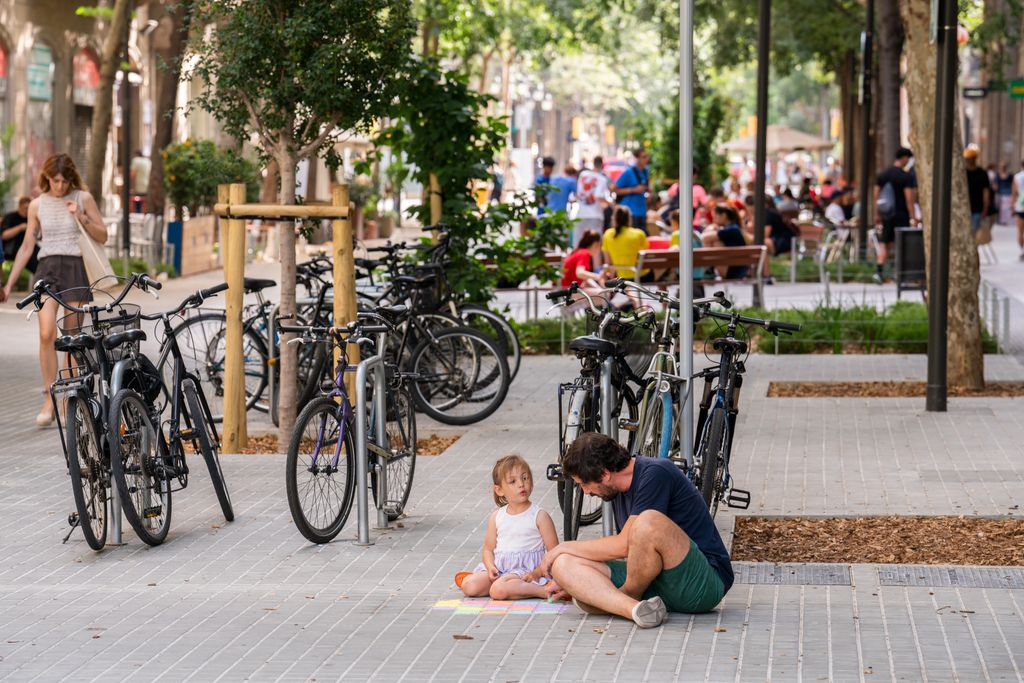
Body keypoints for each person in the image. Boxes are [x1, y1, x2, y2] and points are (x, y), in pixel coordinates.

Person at [536, 433, 733, 627]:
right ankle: (635, 610)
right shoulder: (614, 491)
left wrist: (564, 547)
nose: (586, 492)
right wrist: (576, 580)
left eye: (585, 484)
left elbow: (623, 545)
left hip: (701, 583)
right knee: (563, 564)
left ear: (604, 474)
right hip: (654, 585)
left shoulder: (656, 473)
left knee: (647, 521)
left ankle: (620, 598)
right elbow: (632, 552)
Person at [0, 154, 107, 427]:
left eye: (65, 180)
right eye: (55, 180)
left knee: (70, 338)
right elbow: (27, 246)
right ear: (47, 178)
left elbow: (103, 234)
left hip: (74, 268)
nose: (60, 186)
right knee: (46, 333)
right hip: (47, 269)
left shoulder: (83, 198)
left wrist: (80, 215)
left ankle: (68, 399)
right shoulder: (37, 205)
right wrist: (9, 284)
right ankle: (49, 396)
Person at [455, 455, 560, 600]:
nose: (521, 484)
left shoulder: (539, 516)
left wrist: (536, 573)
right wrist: (490, 566)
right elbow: (488, 549)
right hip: (501, 569)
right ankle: (497, 583)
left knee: (498, 590)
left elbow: (554, 553)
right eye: (513, 481)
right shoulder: (497, 517)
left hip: (526, 572)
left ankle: (543, 590)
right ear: (499, 490)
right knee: (469, 585)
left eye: (525, 478)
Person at [874, 146, 918, 283]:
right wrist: (913, 216)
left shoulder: (883, 175)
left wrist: (877, 213)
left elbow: (876, 196)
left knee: (884, 244)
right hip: (901, 215)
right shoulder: (906, 177)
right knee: (902, 244)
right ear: (904, 158)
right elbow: (909, 199)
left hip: (886, 215)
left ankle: (879, 271)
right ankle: (899, 274)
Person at [702, 204, 752, 279]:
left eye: (715, 217)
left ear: (724, 215)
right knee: (715, 239)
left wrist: (710, 228)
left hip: (733, 271)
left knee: (716, 242)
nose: (713, 220)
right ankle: (709, 270)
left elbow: (704, 238)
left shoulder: (731, 229)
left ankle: (708, 269)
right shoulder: (734, 228)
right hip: (738, 269)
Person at [602, 205, 650, 282]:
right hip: (642, 276)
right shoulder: (639, 233)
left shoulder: (608, 234)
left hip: (621, 278)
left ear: (614, 219)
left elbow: (608, 262)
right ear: (629, 219)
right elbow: (646, 257)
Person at [611, 148, 650, 231]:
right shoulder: (628, 172)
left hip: (642, 210)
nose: (646, 159)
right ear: (637, 158)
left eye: (647, 156)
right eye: (643, 157)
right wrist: (633, 190)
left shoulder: (646, 171)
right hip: (630, 211)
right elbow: (614, 189)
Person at [575, 157, 611, 244]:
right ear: (602, 165)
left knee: (579, 243)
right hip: (595, 215)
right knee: (595, 245)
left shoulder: (583, 174)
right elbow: (598, 197)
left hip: (580, 214)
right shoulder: (602, 179)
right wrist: (611, 204)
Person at [2, 196, 39, 278]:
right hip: (11, 249)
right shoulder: (11, 217)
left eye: (28, 208)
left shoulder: (31, 218)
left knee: (40, 255)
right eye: (25, 208)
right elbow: (4, 235)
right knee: (29, 258)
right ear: (19, 206)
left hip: (28, 246)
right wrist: (20, 228)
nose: (26, 210)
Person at [964, 146, 991, 233]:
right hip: (964, 207)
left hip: (977, 209)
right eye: (966, 158)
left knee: (973, 234)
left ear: (974, 159)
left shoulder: (982, 173)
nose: (967, 160)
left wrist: (985, 209)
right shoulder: (962, 173)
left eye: (969, 158)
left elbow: (986, 192)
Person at [996, 161, 1014, 227]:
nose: (1003, 168)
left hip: (1009, 193)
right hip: (1001, 194)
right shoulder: (998, 175)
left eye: (1004, 166)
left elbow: (1013, 184)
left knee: (1008, 207)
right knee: (1002, 208)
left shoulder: (1010, 175)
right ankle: (1002, 220)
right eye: (1002, 167)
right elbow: (997, 185)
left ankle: (1009, 220)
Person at [1013, 159, 1024, 260]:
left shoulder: (1017, 177)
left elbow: (1014, 193)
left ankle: (1022, 250)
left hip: (1021, 207)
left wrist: (1012, 206)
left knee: (1020, 231)